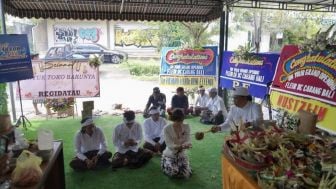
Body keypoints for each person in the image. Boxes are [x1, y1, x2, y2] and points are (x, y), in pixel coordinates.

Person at [161, 109, 192, 178]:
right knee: (174, 172)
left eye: (182, 120)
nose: (180, 123)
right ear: (173, 119)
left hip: (181, 155)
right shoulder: (167, 128)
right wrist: (180, 146)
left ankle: (182, 166)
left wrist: (188, 144)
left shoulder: (186, 126)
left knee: (186, 174)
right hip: (170, 154)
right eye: (178, 120)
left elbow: (188, 139)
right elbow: (169, 145)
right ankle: (165, 163)